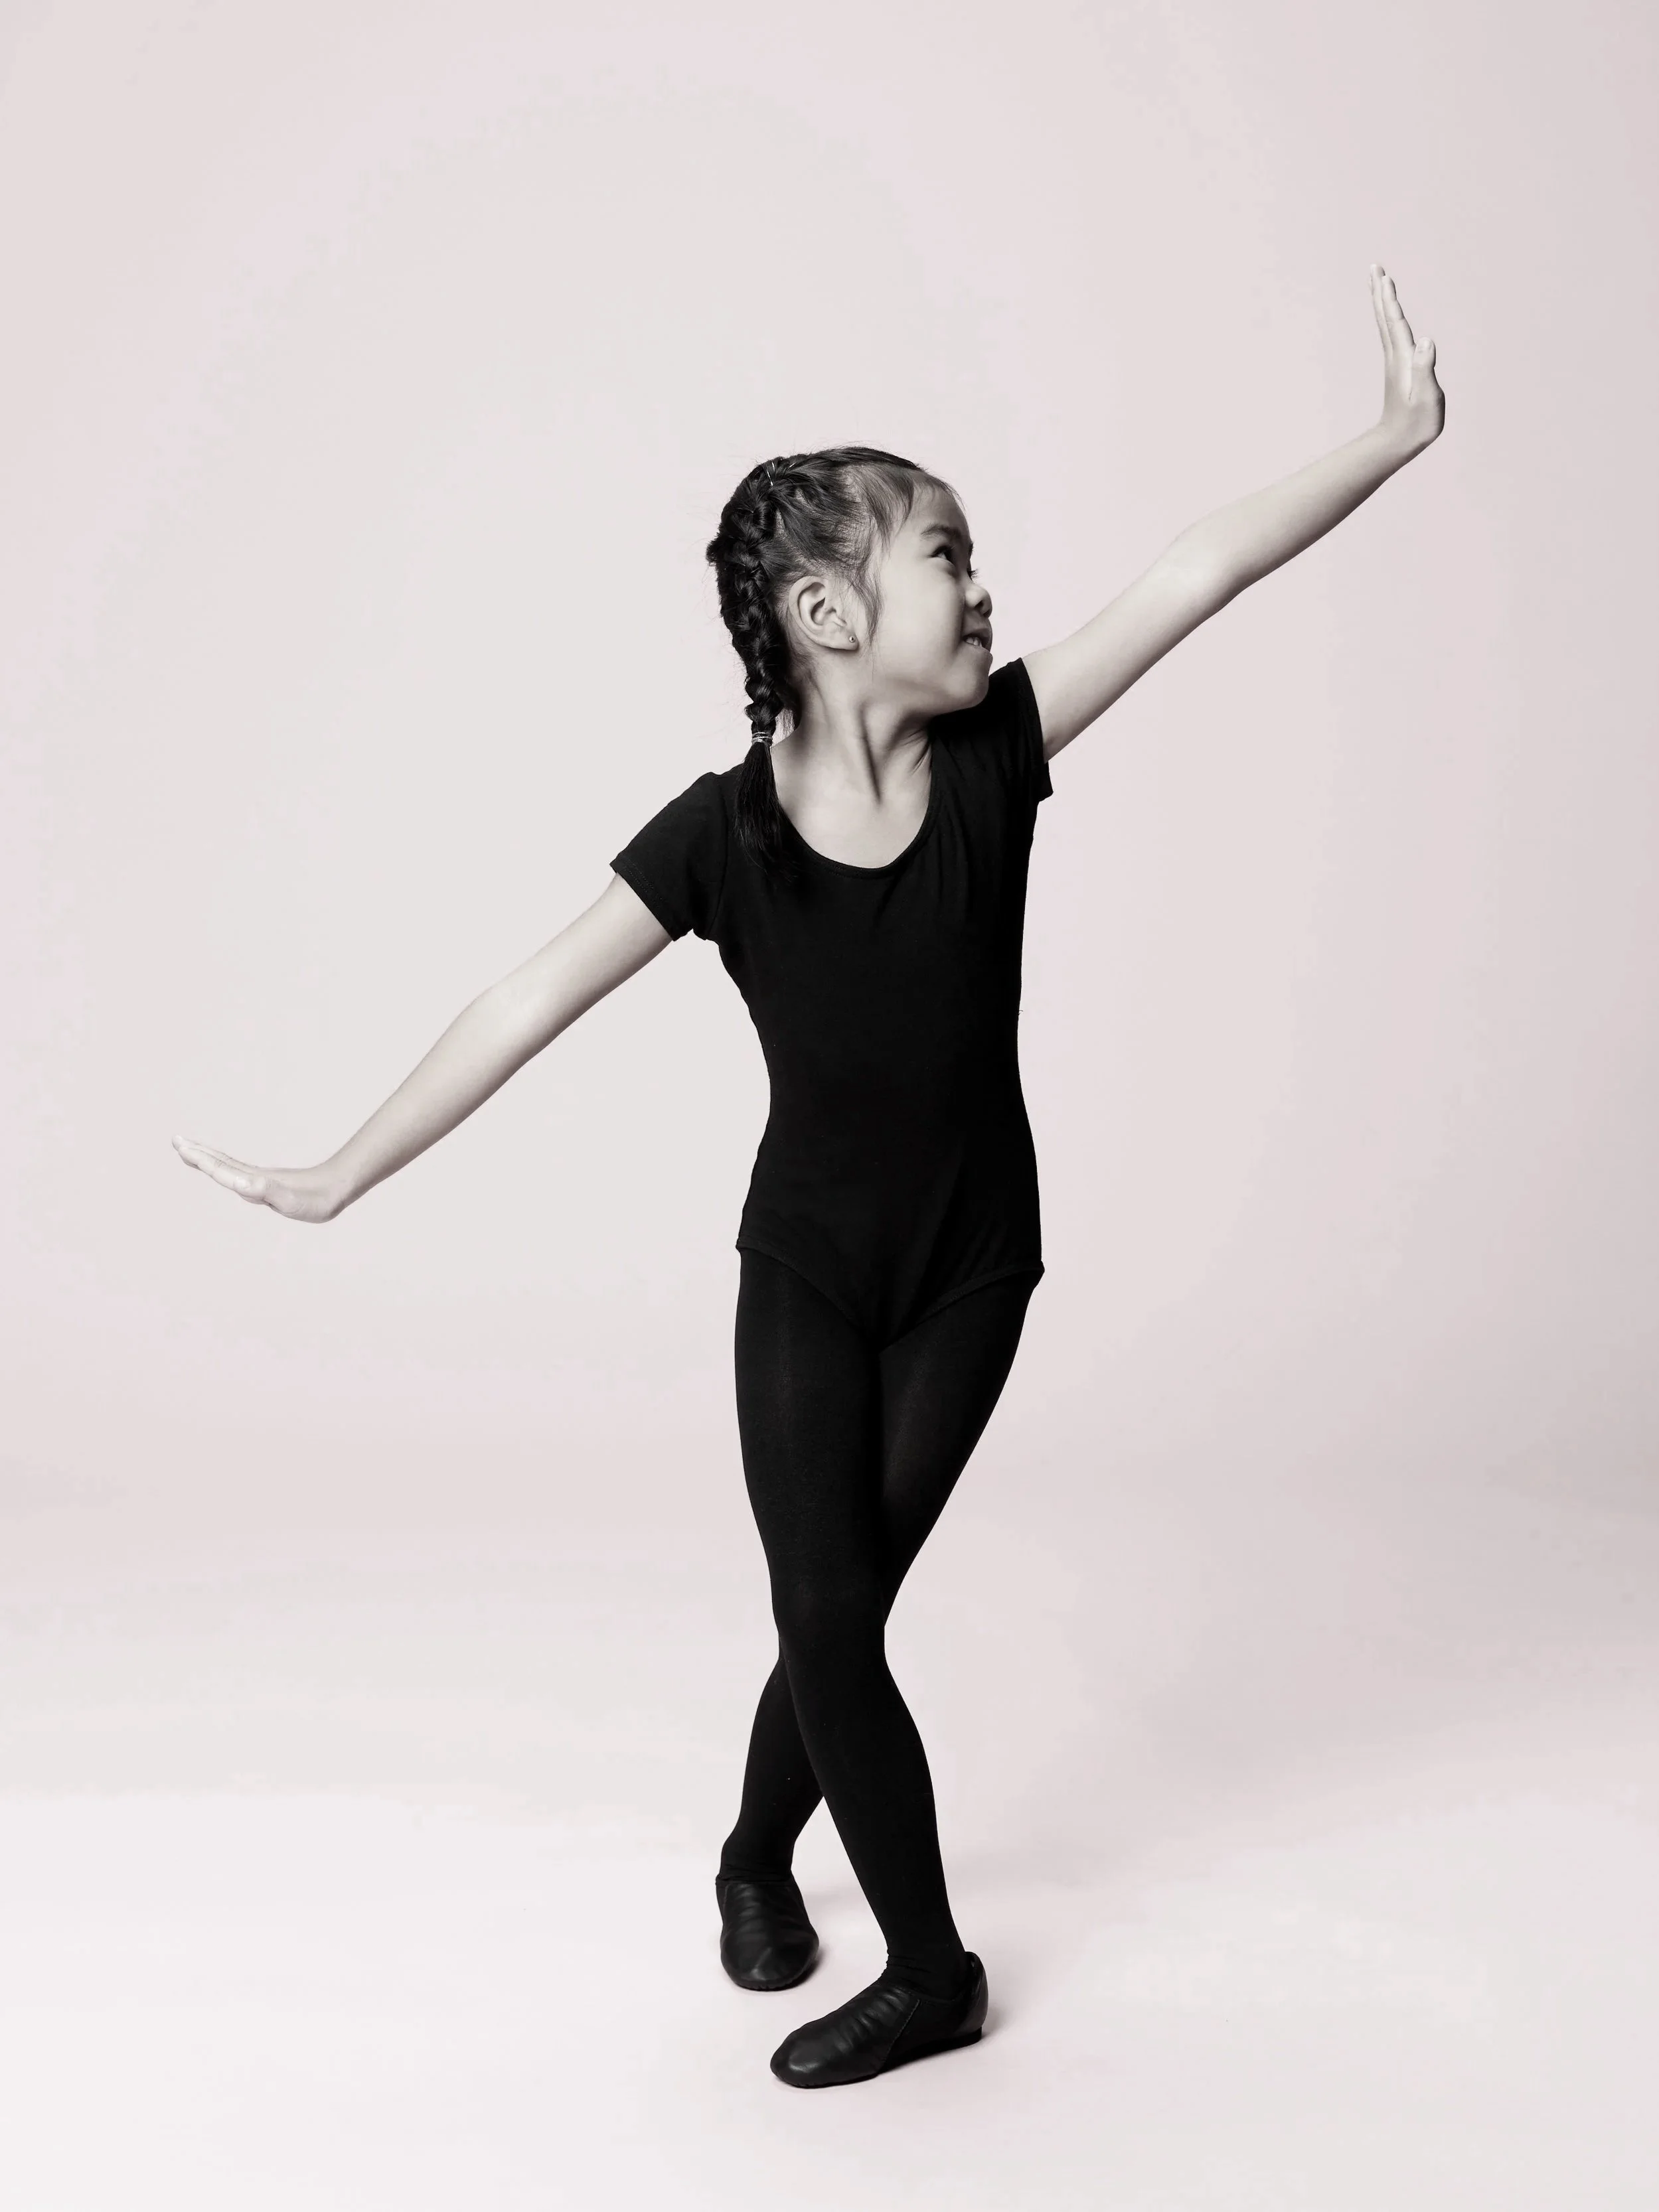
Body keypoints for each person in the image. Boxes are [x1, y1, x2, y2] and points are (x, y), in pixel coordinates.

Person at [176, 266, 1445, 2089]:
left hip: (971, 1265)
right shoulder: (726, 837)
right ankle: (924, 1959)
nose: (986, 586)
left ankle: (765, 1858)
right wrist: (342, 1172)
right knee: (828, 1609)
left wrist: (1388, 440)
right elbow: (530, 991)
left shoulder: (996, 755)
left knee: (839, 1604)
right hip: (810, 1271)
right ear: (833, 610)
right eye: (950, 554)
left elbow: (1194, 574)